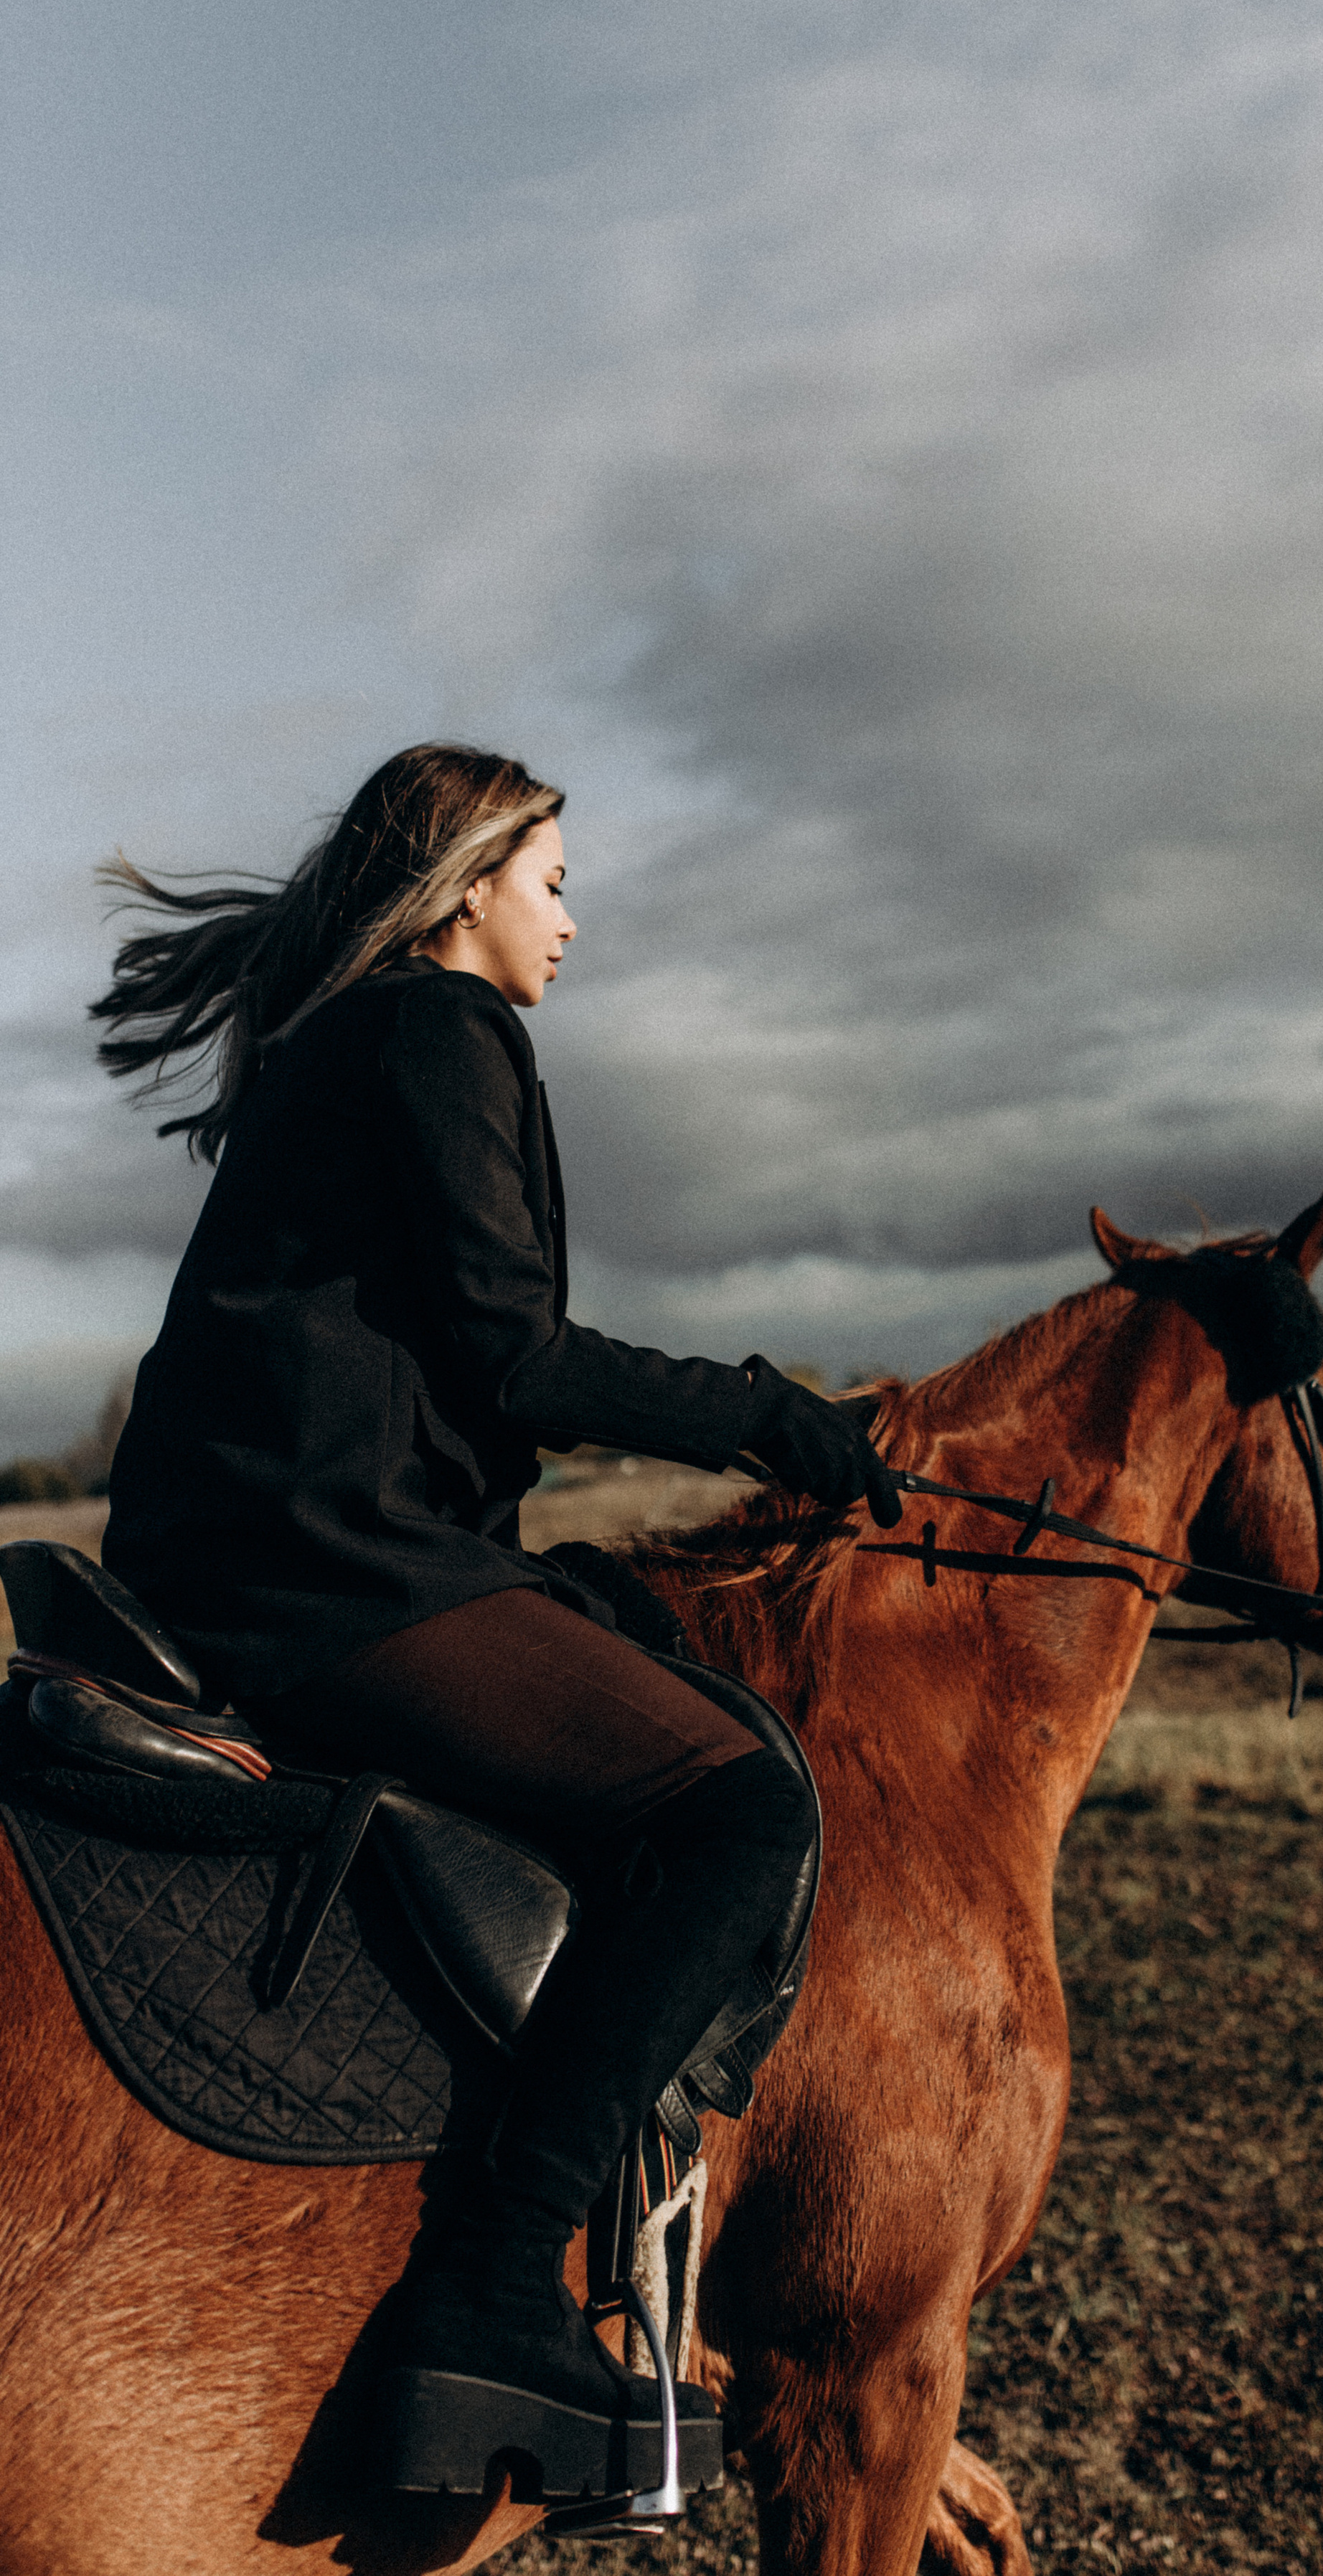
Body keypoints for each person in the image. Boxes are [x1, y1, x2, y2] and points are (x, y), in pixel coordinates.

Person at [92, 743, 901, 2481]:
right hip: (322, 1568)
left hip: (238, 1545)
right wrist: (771, 1415)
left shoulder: (350, 1039)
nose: (572, 922)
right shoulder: (444, 1032)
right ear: (466, 890)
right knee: (739, 1808)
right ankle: (483, 2290)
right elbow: (513, 1354)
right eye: (552, 882)